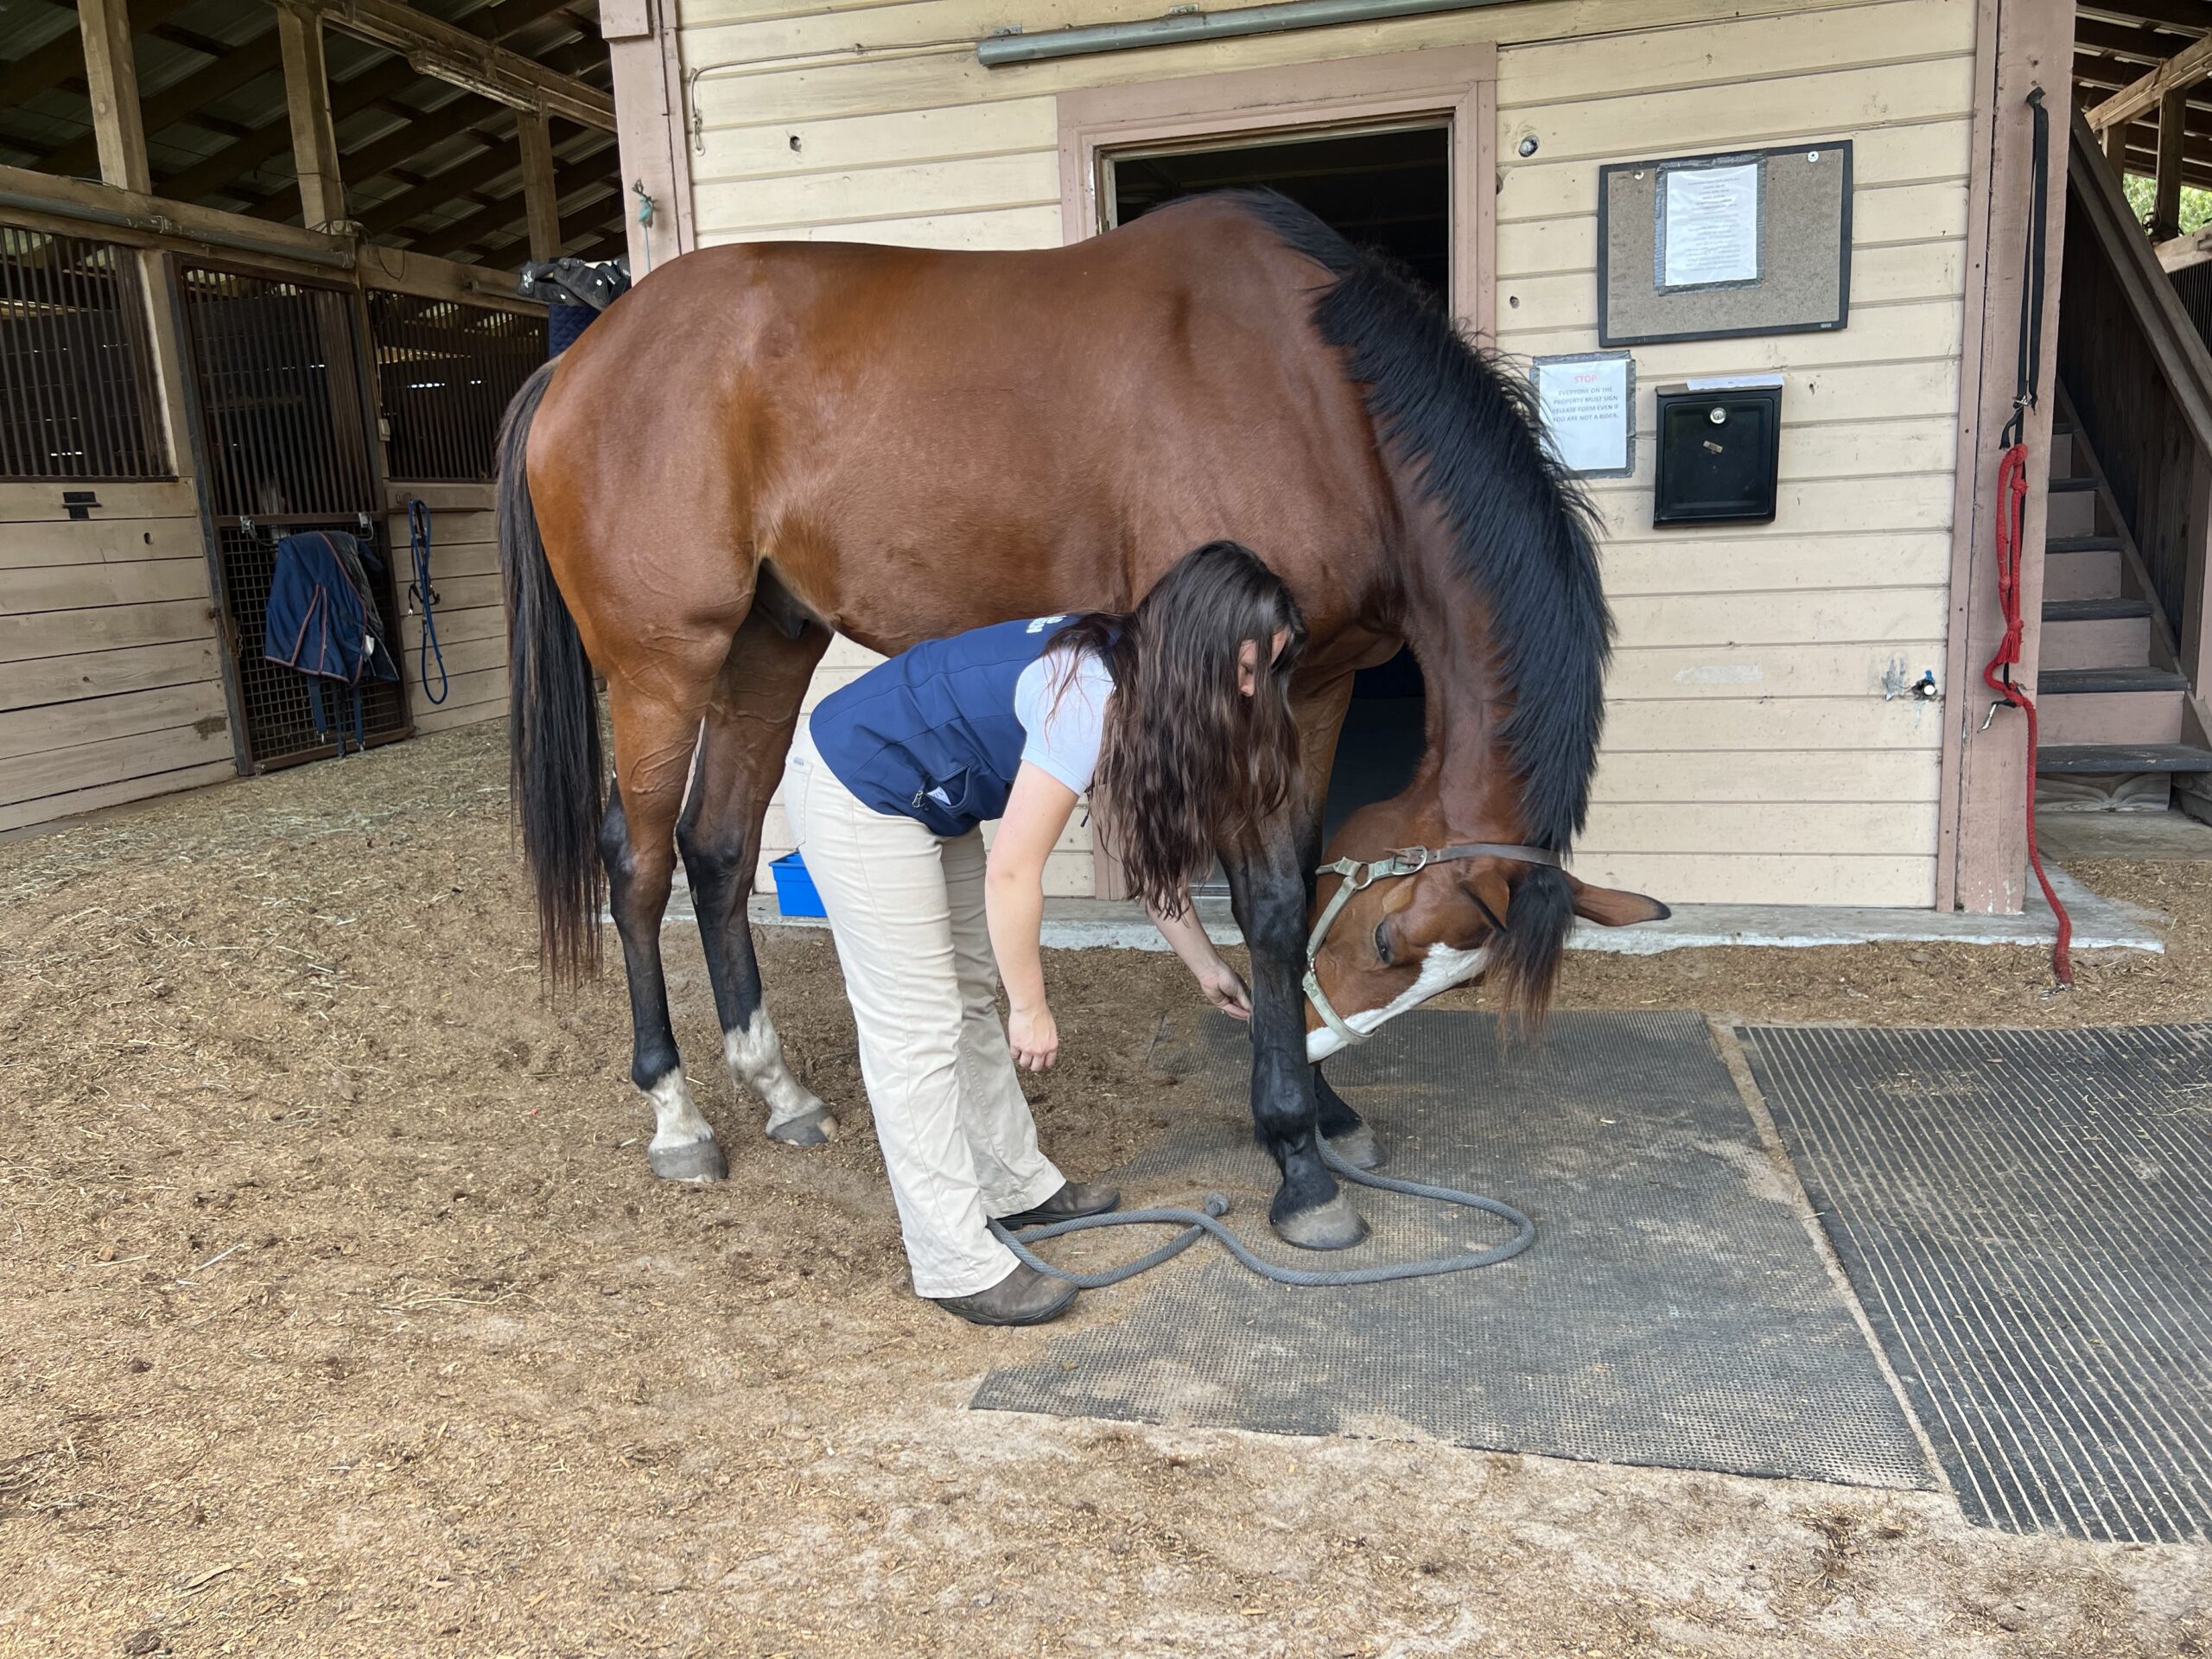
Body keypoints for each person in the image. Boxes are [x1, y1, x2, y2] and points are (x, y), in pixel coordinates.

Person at [783, 541, 1307, 1326]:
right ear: (1199, 639)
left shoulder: (1142, 677)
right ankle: (954, 1260)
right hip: (859, 784)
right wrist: (1031, 1006)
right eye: (1241, 667)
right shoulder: (1092, 693)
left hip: (933, 795)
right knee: (917, 1028)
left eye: (1263, 670)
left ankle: (1016, 1185)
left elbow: (1135, 846)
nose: (1248, 689)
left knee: (962, 995)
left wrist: (1203, 964)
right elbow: (1014, 874)